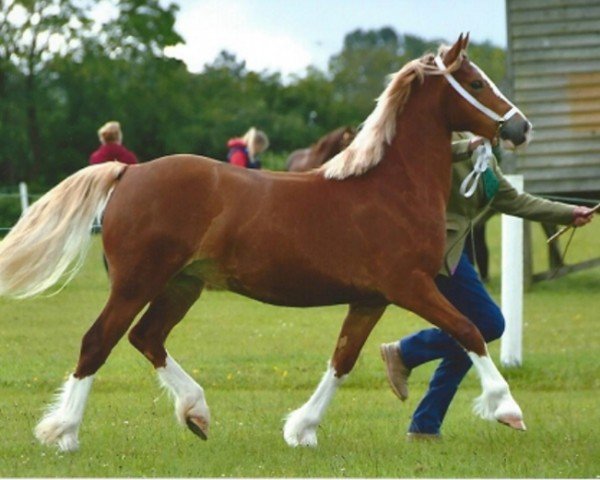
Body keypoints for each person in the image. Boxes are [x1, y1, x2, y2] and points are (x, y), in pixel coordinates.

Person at [380, 132, 595, 440]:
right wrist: (466, 147)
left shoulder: (486, 155)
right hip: (433, 250)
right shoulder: (445, 138)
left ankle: (425, 423)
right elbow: (416, 152)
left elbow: (513, 199)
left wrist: (567, 213)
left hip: (457, 250)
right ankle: (408, 352)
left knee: (470, 331)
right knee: (489, 324)